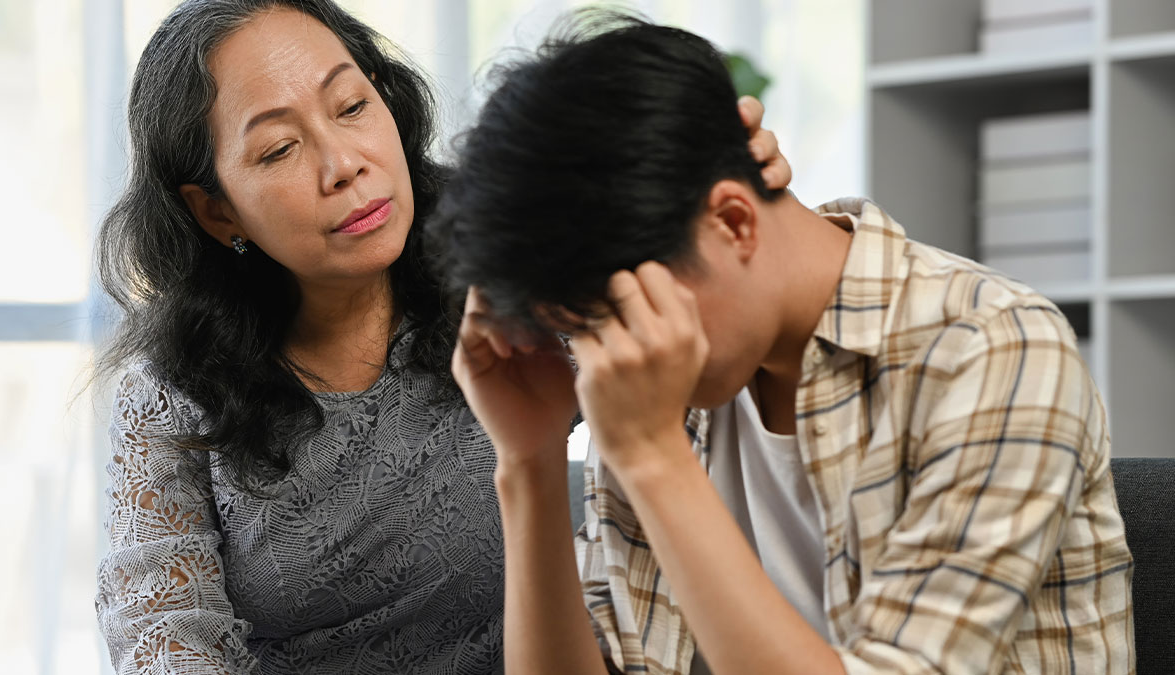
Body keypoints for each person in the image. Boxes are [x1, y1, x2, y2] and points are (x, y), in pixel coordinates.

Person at [91, 1, 789, 672]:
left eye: (352, 107)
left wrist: (716, 181)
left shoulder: (507, 272)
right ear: (217, 211)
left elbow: (717, 332)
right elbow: (163, 637)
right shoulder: (167, 398)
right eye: (279, 149)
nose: (344, 166)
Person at [429, 13, 1135, 675]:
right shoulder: (661, 379)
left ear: (733, 221)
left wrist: (652, 455)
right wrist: (530, 460)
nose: (601, 355)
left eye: (607, 317)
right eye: (576, 330)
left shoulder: (991, 346)